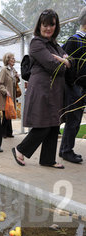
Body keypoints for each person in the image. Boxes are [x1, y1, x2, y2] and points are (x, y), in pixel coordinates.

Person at [12, 9, 71, 168]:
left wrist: (65, 61)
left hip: (54, 91)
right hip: (42, 90)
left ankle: (47, 159)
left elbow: (68, 60)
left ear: (55, 26)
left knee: (53, 124)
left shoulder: (55, 45)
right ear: (40, 25)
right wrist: (64, 63)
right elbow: (53, 66)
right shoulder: (36, 43)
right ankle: (20, 149)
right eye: (45, 24)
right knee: (43, 125)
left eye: (51, 25)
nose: (48, 28)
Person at [59, 7, 86, 163]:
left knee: (75, 121)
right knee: (73, 120)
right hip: (74, 88)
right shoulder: (75, 40)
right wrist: (72, 84)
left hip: (81, 87)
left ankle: (65, 149)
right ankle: (66, 150)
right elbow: (64, 62)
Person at [0, 52, 19, 138]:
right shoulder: (4, 69)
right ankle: (3, 133)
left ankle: (9, 132)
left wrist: (17, 77)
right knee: (6, 114)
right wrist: (5, 92)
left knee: (9, 113)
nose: (14, 60)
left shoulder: (13, 70)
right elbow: (0, 84)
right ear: (7, 60)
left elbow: (14, 83)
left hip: (11, 96)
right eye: (12, 58)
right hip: (5, 95)